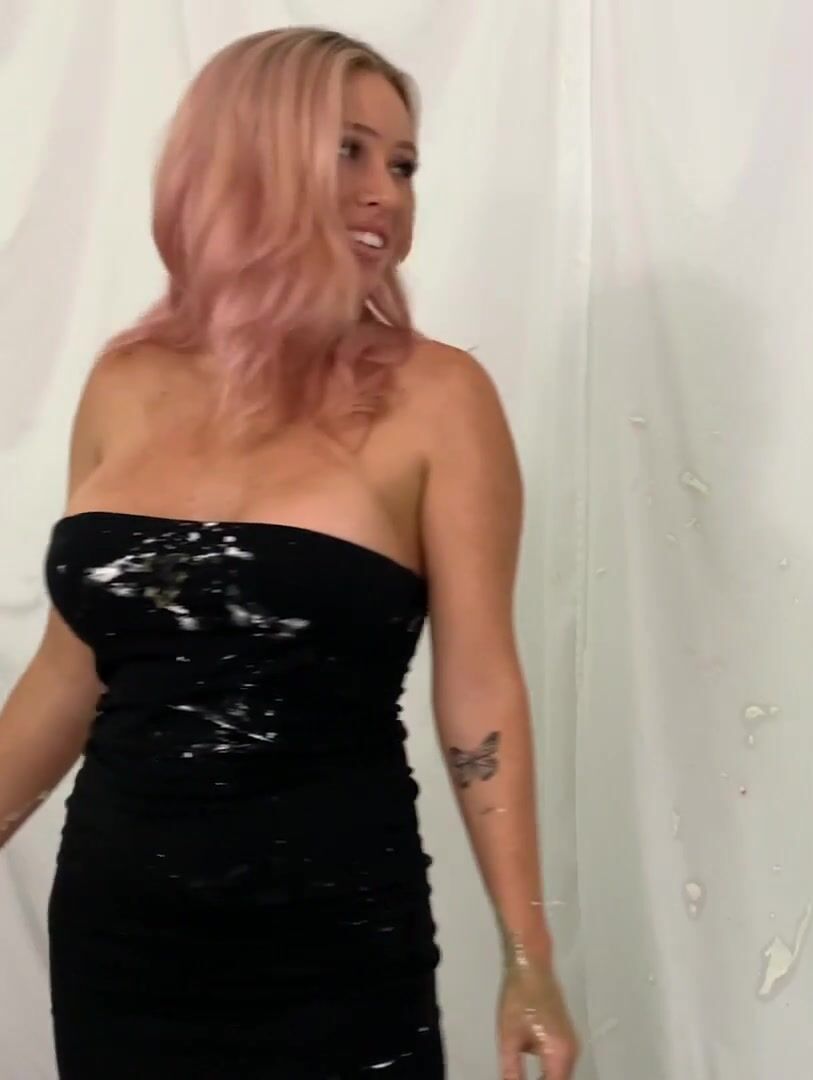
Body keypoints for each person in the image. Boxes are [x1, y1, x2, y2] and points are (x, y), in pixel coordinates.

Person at [0, 27, 578, 1079]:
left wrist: (526, 955)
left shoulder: (439, 400)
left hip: (331, 950)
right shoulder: (125, 383)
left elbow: (479, 685)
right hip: (119, 941)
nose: (386, 192)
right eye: (349, 150)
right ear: (245, 154)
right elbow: (69, 674)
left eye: (403, 165)